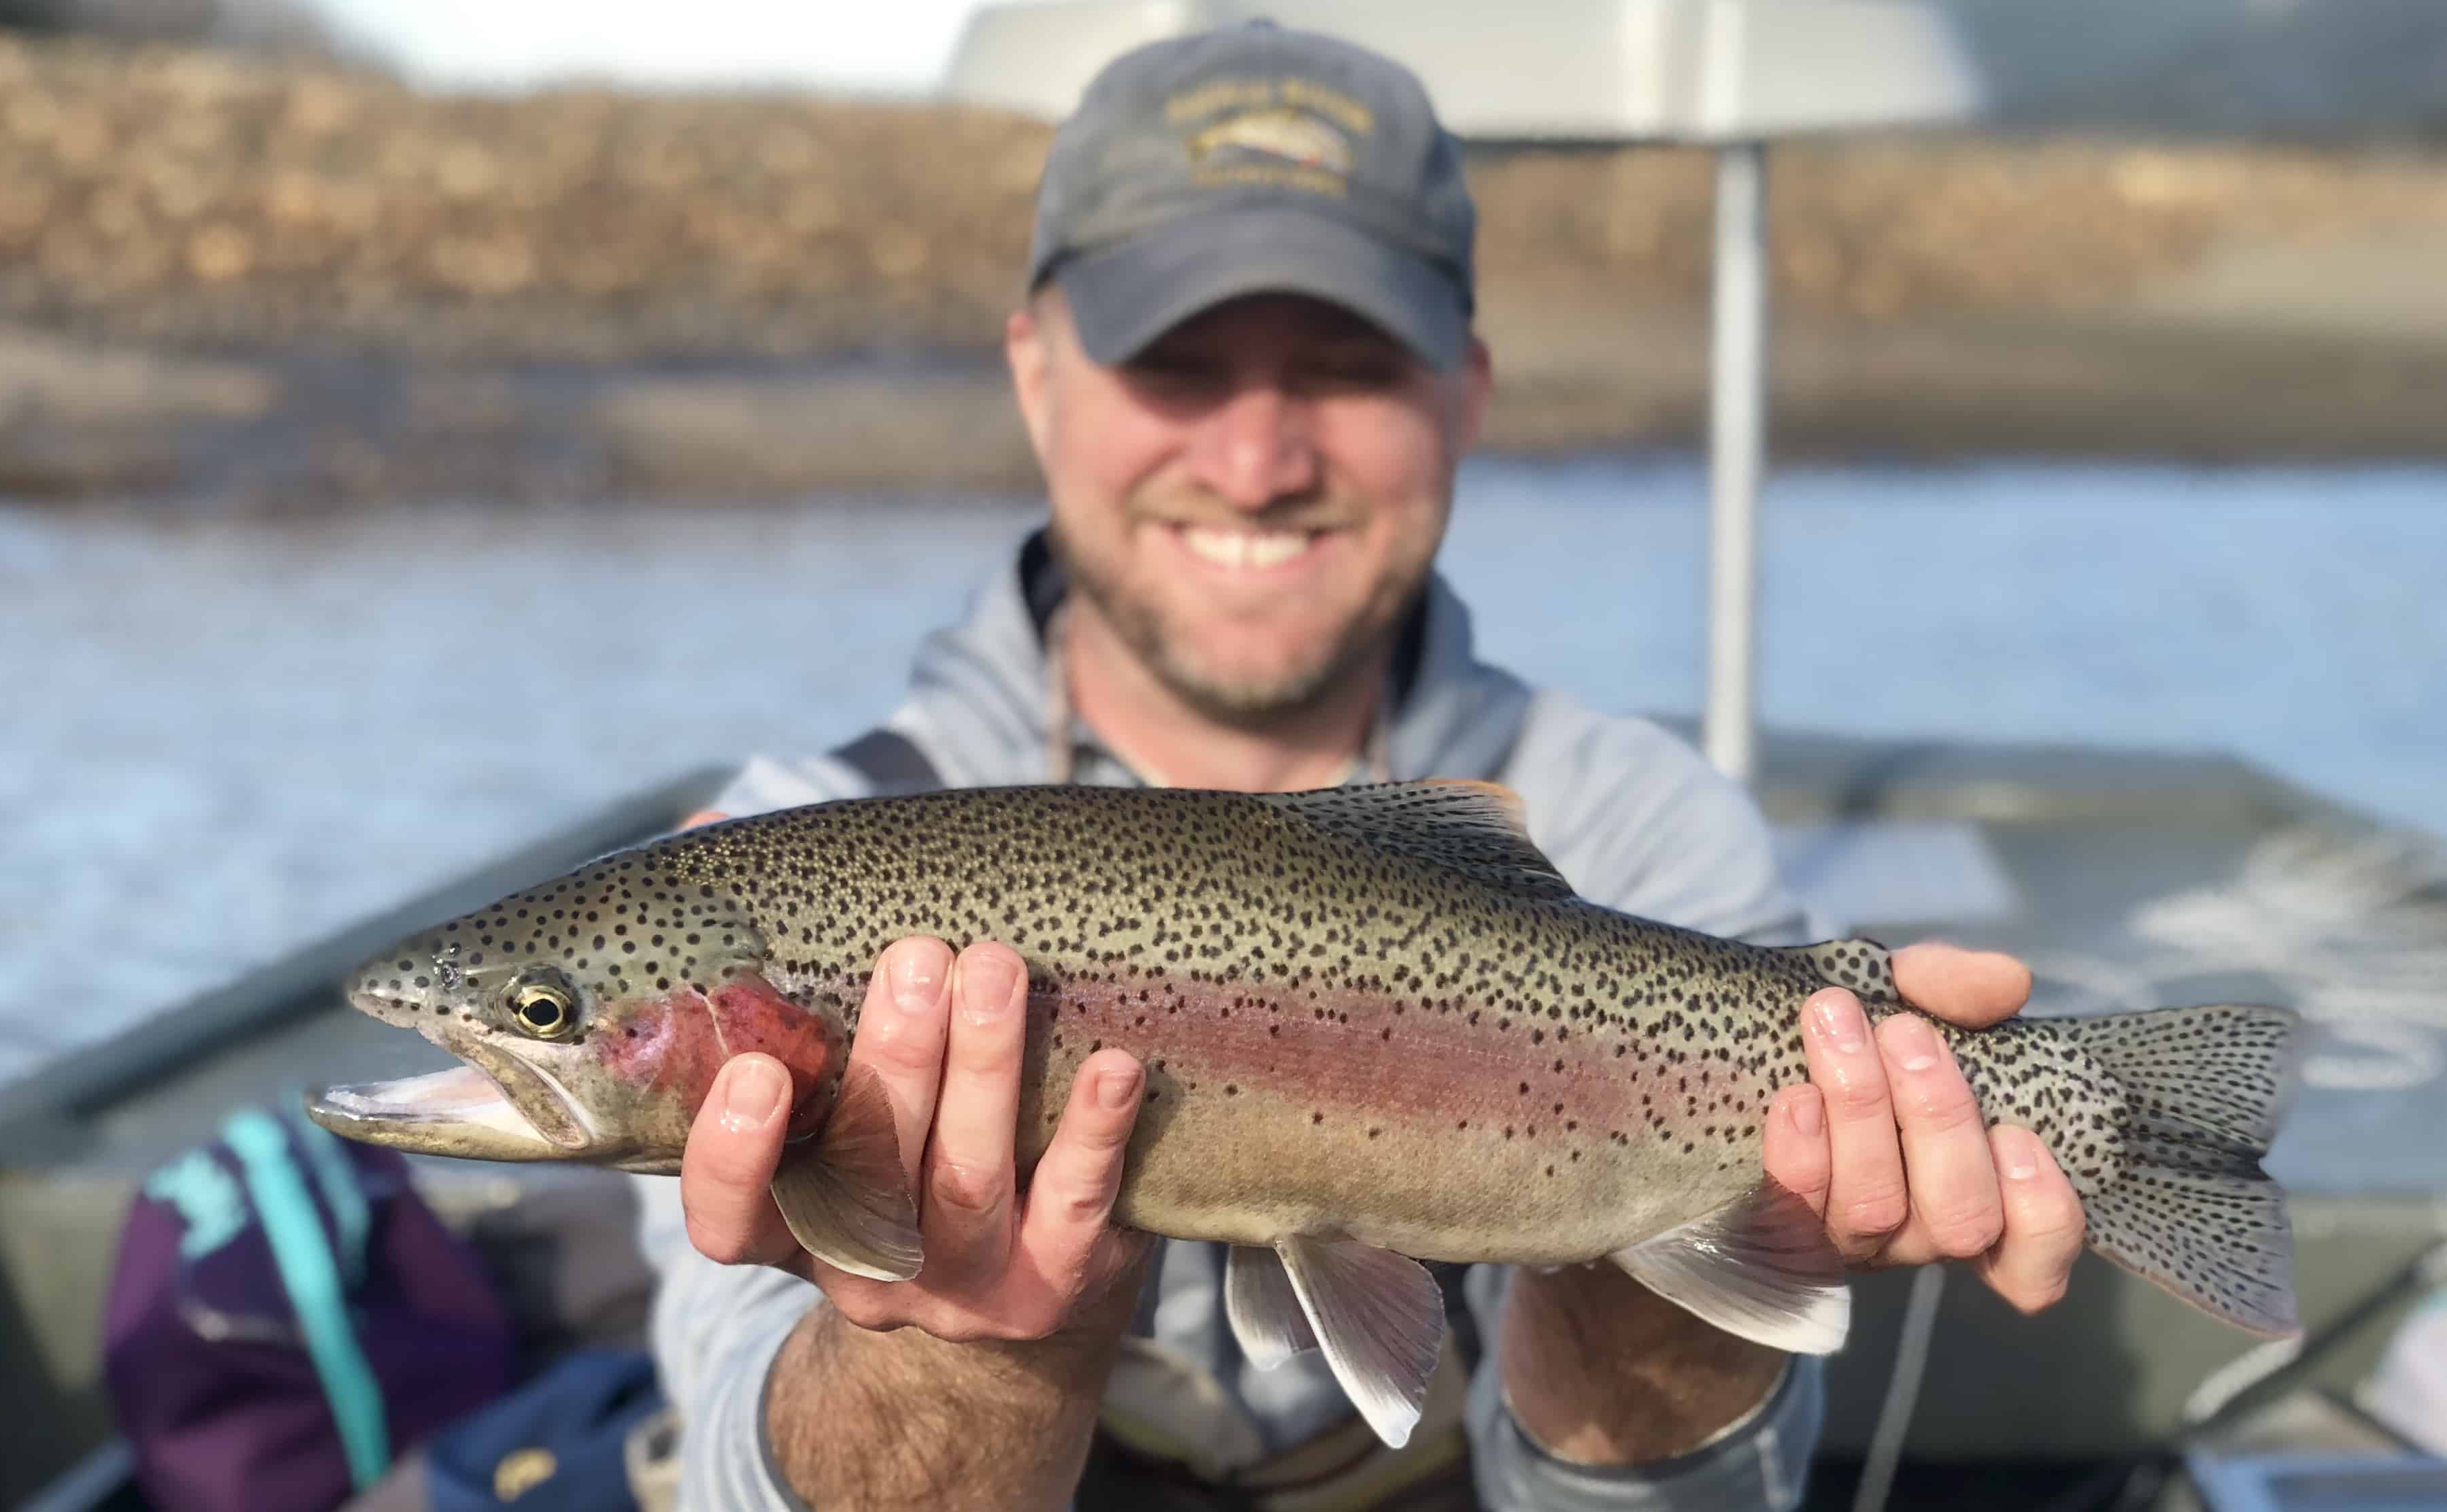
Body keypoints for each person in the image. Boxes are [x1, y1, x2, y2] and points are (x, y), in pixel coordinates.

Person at [633, 21, 2087, 1511]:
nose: (1257, 458)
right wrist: (963, 1356)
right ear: (1035, 372)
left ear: (1463, 392)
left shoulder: (1637, 830)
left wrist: (1646, 1266)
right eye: (1176, 363)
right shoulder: (795, 851)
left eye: (1343, 367)